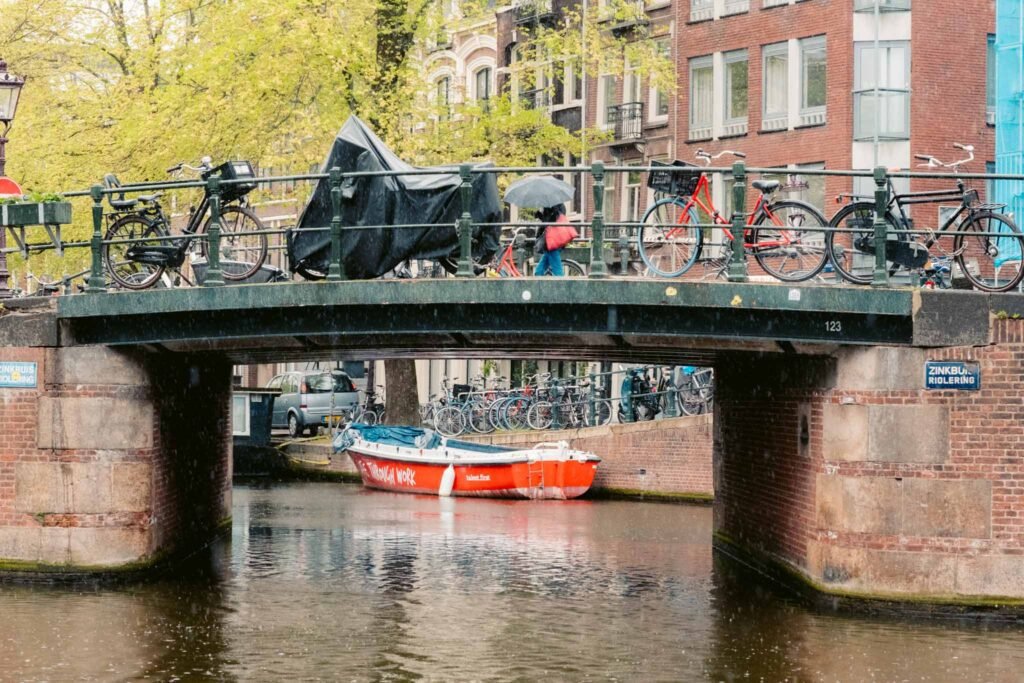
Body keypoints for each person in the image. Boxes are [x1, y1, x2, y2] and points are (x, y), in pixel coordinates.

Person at [533, 204, 567, 276]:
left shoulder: (553, 207)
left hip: (552, 240)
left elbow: (549, 222)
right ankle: (537, 278)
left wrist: (540, 216)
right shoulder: (559, 205)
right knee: (543, 264)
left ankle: (561, 285)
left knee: (557, 268)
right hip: (556, 239)